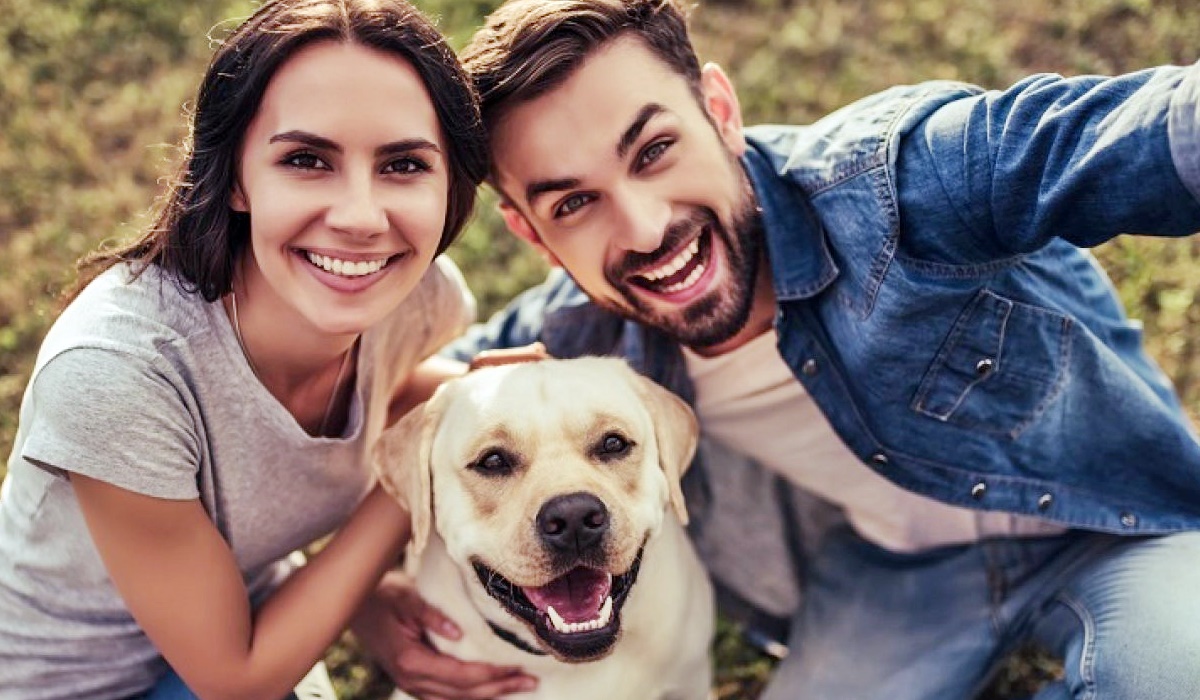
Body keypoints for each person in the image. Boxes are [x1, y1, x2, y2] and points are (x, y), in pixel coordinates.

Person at [365, 0, 1200, 698]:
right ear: (532, 233)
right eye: (575, 201)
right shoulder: (580, 333)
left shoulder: (904, 184)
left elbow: (1121, 137)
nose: (647, 229)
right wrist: (366, 597)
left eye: (655, 151)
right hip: (898, 576)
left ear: (720, 113)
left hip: (1115, 519)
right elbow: (379, 397)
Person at [0, 0, 497, 698]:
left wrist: (491, 399)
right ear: (234, 177)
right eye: (305, 159)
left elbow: (397, 392)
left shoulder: (415, 298)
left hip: (239, 607)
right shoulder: (115, 375)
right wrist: (414, 472)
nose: (360, 218)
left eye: (404, 164)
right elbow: (236, 679)